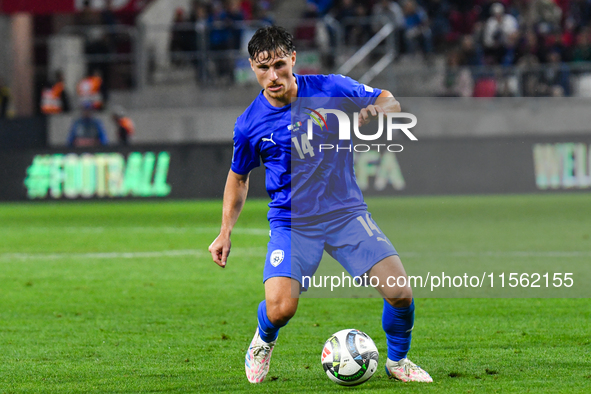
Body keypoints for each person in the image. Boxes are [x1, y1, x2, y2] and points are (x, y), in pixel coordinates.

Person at [208, 26, 432, 384]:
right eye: (263, 69)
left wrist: (377, 109)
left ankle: (398, 361)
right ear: (253, 67)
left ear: (293, 59)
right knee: (281, 309)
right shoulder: (249, 124)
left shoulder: (331, 88)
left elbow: (390, 99)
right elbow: (238, 178)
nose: (273, 76)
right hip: (292, 223)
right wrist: (224, 232)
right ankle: (263, 340)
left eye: (280, 64)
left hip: (346, 213)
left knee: (400, 292)